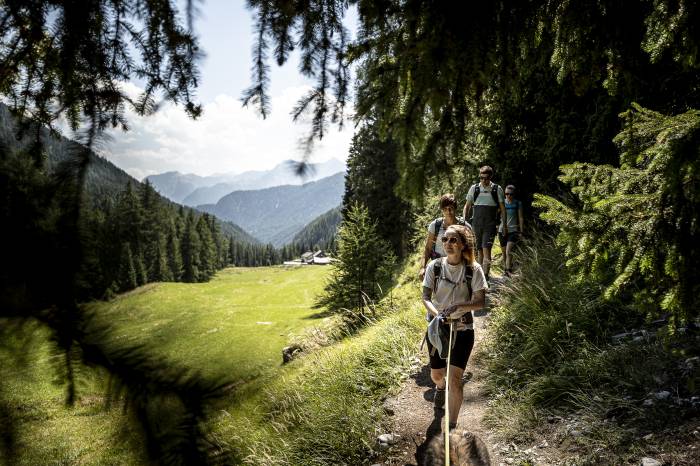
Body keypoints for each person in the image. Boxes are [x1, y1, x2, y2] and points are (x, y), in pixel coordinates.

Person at [422, 224, 487, 430]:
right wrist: (438, 314)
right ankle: (440, 387)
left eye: (453, 240)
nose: (448, 244)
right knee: (437, 375)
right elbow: (425, 297)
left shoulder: (473, 270)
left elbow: (480, 302)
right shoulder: (435, 267)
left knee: (456, 379)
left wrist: (460, 306)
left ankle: (451, 427)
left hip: (463, 330)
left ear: (462, 245)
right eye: (445, 240)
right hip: (437, 328)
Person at [462, 166, 506, 279]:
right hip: (476, 224)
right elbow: (467, 206)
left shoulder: (497, 189)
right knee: (479, 250)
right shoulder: (474, 188)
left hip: (490, 225)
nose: (483, 180)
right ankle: (479, 277)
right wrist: (464, 222)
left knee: (486, 249)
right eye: (481, 178)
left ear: (490, 177)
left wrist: (504, 224)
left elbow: (503, 209)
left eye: (486, 178)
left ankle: (485, 277)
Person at [419, 194, 470, 280]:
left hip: (459, 268)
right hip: (438, 267)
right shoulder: (435, 226)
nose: (448, 212)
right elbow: (427, 249)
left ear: (455, 208)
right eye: (445, 209)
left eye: (451, 208)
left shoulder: (464, 226)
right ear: (442, 210)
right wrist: (422, 268)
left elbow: (471, 250)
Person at [498, 184, 524, 276]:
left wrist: (521, 231)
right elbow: (494, 215)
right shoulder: (501, 203)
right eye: (506, 194)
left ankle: (508, 270)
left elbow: (520, 218)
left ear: (514, 194)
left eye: (511, 194)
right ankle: (506, 269)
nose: (508, 196)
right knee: (504, 253)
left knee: (509, 251)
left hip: (513, 231)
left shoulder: (518, 203)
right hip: (502, 231)